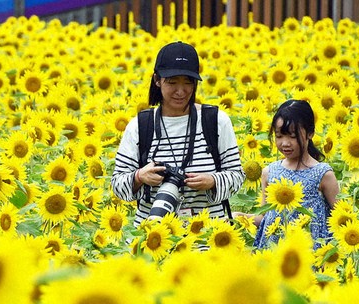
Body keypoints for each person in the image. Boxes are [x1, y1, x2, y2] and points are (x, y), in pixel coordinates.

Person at [111, 41, 244, 227]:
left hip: (208, 238)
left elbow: (237, 176)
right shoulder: (140, 126)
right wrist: (140, 176)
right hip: (154, 239)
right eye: (172, 82)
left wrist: (212, 180)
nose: (181, 91)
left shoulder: (215, 121)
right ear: (157, 80)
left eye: (188, 82)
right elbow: (117, 184)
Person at [250, 99, 339, 249]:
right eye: (279, 136)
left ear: (310, 133)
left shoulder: (323, 174)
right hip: (274, 251)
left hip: (309, 254)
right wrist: (242, 218)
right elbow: (264, 217)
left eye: (292, 136)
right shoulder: (269, 172)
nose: (285, 143)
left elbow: (340, 218)